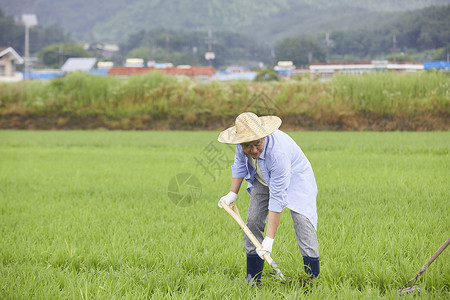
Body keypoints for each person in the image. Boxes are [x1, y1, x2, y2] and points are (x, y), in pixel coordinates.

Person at [217, 112, 320, 284]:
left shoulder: (278, 154)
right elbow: (240, 165)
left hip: (296, 179)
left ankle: (312, 279)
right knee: (253, 221)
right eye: (247, 146)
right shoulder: (242, 143)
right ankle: (253, 278)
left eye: (258, 143)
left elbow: (277, 198)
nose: (254, 149)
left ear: (264, 135)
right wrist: (232, 194)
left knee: (302, 222)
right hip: (262, 177)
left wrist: (269, 239)